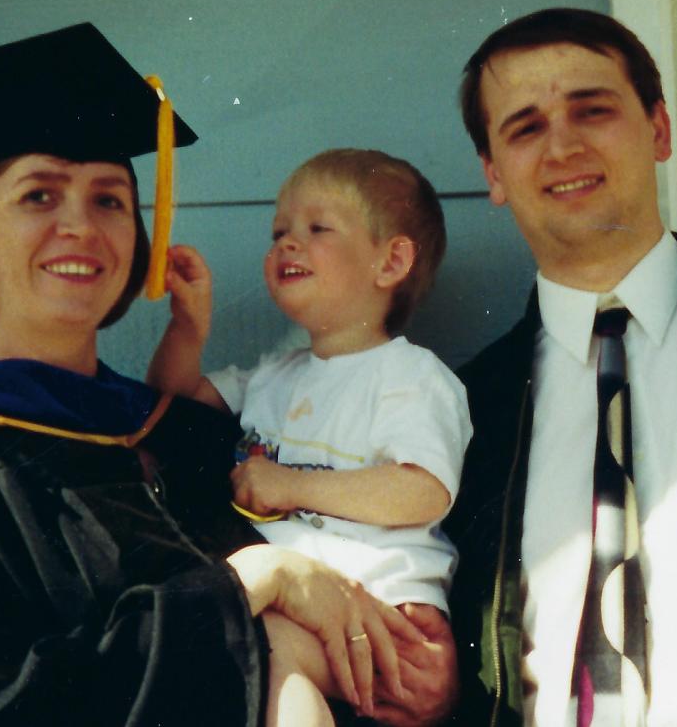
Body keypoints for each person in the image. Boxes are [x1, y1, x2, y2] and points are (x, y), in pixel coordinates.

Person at [0, 24, 437, 727]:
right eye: (39, 196)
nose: (83, 226)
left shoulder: (193, 433)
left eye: (110, 200)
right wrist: (250, 582)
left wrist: (405, 655)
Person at [444, 7, 677, 726]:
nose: (562, 146)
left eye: (591, 110)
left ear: (658, 131)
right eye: (526, 128)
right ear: (494, 174)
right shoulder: (461, 409)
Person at [147, 148, 473, 726]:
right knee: (255, 656)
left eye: (317, 228)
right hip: (302, 601)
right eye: (279, 232)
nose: (287, 244)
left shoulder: (411, 377)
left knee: (268, 659)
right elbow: (172, 409)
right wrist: (188, 327)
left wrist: (290, 485)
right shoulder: (275, 374)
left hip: (384, 609)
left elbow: (420, 491)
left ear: (391, 261)